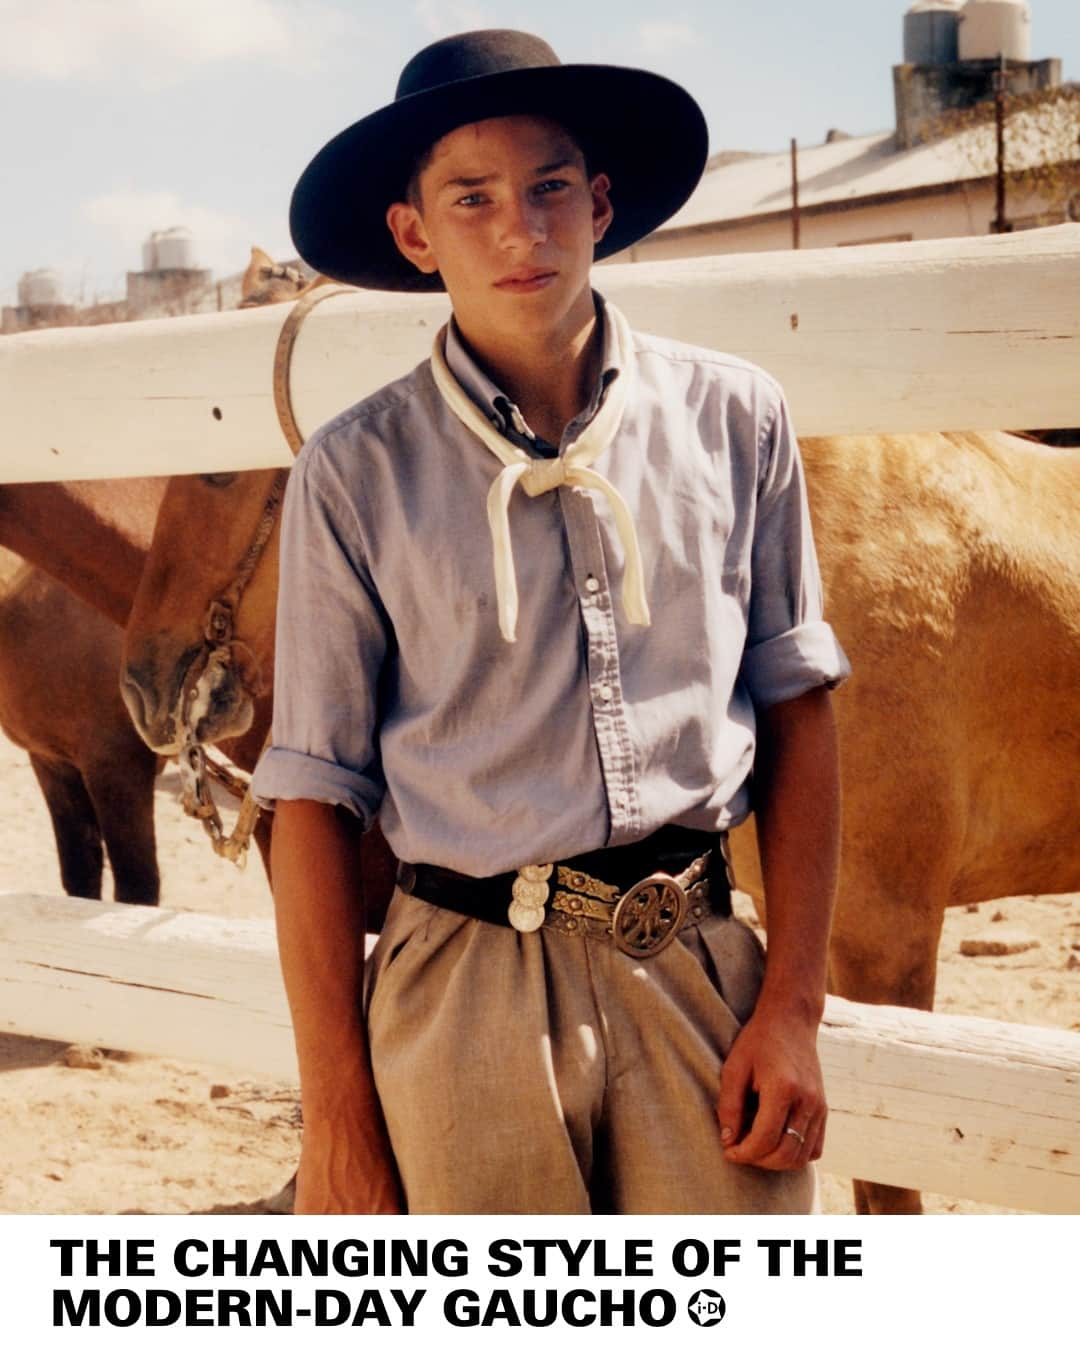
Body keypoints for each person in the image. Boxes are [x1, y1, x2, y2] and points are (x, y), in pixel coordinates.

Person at [251, 29, 850, 1215]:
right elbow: (314, 799)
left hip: (696, 969)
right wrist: (336, 1116)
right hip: (462, 990)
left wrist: (790, 1005)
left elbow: (798, 708)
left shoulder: (737, 420)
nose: (519, 229)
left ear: (601, 202)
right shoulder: (353, 473)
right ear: (413, 235)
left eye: (549, 188)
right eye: (469, 199)